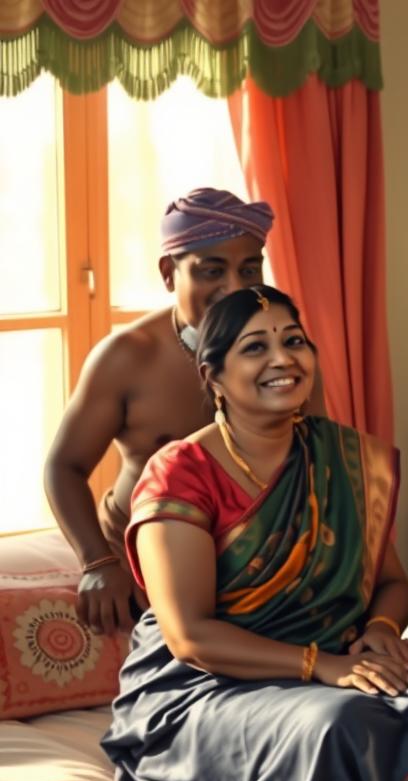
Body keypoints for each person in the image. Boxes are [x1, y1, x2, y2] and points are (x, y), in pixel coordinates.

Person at [101, 286, 408, 781]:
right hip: (207, 684)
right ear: (214, 375)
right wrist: (319, 665)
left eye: (294, 341)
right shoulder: (182, 473)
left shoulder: (342, 458)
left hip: (336, 651)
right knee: (337, 720)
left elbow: (393, 583)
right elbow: (189, 637)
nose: (282, 359)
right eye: (255, 347)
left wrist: (378, 631)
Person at [43, 187, 312, 635]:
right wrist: (99, 561)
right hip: (144, 575)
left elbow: (317, 460)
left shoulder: (287, 349)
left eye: (250, 269)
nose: (236, 288)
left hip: (259, 580)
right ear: (169, 273)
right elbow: (64, 466)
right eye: (212, 271)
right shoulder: (127, 357)